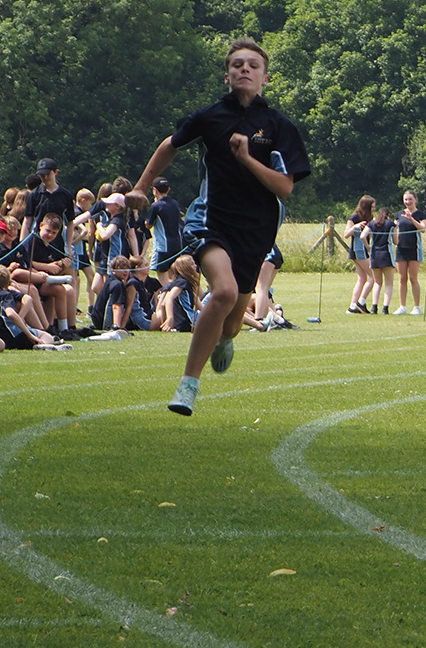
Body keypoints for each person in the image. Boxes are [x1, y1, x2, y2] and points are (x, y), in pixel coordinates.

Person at [128, 36, 312, 415]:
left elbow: (285, 187)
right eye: (237, 65)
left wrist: (247, 159)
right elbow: (170, 145)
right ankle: (188, 384)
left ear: (265, 78)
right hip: (210, 220)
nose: (244, 69)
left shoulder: (278, 127)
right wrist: (142, 187)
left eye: (253, 65)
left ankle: (225, 338)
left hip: (256, 231)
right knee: (224, 292)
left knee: (231, 322)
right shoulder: (210, 117)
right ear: (227, 76)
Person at [0, 264, 64, 349]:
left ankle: (45, 343)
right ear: (7, 284)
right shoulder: (5, 295)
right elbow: (11, 314)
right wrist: (29, 334)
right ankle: (43, 344)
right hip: (10, 335)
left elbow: (27, 298)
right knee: (46, 336)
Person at [151, 254, 202, 332]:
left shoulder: (181, 283)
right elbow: (168, 299)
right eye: (192, 264)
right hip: (188, 321)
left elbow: (162, 304)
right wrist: (170, 318)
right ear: (186, 268)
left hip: (181, 323)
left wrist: (164, 322)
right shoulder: (182, 283)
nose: (195, 266)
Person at [394, 192, 425, 314]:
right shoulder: (399, 215)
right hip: (401, 249)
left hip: (414, 249)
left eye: (410, 199)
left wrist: (411, 218)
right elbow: (394, 228)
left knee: (413, 278)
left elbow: (422, 229)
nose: (407, 202)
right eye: (405, 199)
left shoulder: (420, 214)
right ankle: (402, 306)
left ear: (415, 199)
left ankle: (417, 306)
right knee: (402, 278)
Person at [365, 201, 396, 312]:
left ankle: (374, 307)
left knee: (377, 283)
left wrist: (368, 246)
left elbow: (363, 235)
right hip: (386, 254)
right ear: (388, 215)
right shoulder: (391, 224)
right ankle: (385, 308)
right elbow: (396, 241)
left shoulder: (372, 223)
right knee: (389, 284)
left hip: (374, 255)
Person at [344, 198, 374, 312]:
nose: (373, 209)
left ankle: (352, 306)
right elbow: (346, 234)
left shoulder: (369, 218)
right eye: (371, 207)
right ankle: (361, 302)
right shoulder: (354, 218)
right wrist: (354, 227)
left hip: (364, 250)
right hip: (358, 250)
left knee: (362, 278)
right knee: (374, 276)